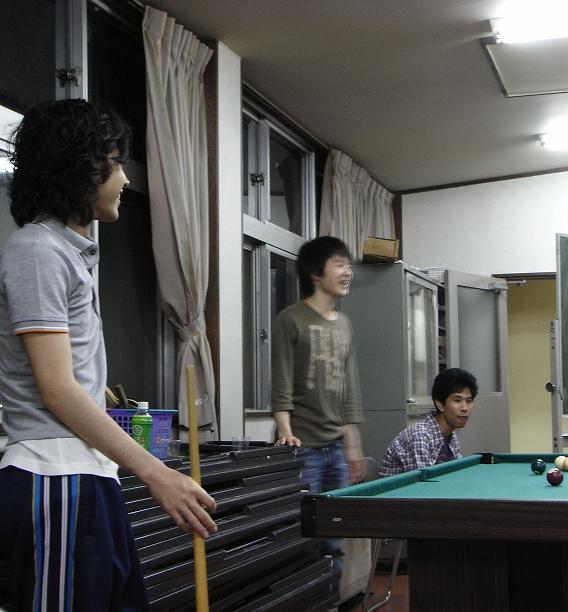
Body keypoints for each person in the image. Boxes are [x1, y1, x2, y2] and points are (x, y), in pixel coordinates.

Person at [0, 99, 217, 611]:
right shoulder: (38, 250)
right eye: (116, 164)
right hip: (54, 477)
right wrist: (158, 473)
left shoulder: (67, 251)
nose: (124, 178)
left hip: (88, 476)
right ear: (79, 169)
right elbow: (57, 390)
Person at [270, 235, 364, 570]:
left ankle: (331, 596)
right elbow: (281, 381)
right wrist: (284, 429)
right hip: (303, 447)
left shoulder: (345, 324)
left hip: (336, 448)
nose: (347, 272)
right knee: (304, 539)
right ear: (315, 273)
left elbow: (349, 387)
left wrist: (352, 445)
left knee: (334, 540)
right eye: (339, 264)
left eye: (348, 265)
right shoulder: (290, 319)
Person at [379, 368, 478, 476]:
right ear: (440, 404)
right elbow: (425, 482)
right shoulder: (420, 435)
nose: (465, 408)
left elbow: (457, 473)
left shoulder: (450, 435)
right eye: (457, 400)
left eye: (469, 401)